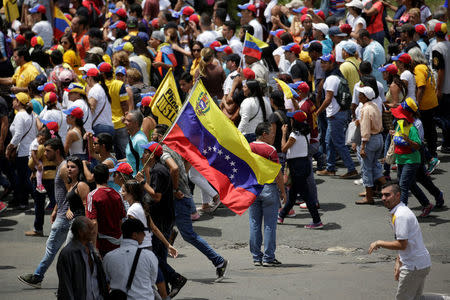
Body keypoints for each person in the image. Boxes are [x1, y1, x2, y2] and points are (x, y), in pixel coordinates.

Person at [18, 138, 70, 289]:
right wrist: (55, 209)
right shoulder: (60, 166)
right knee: (59, 248)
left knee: (52, 248)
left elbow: (70, 191)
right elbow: (62, 194)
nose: (45, 153)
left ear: (57, 151)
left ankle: (37, 277)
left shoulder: (63, 168)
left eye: (48, 151)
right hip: (61, 214)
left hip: (64, 218)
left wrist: (66, 210)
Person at [368, 182, 431, 300]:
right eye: (382, 195)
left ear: (398, 195)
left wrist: (379, 242)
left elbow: (402, 244)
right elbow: (404, 242)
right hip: (419, 264)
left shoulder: (401, 215)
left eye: (387, 195)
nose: (383, 198)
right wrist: (398, 262)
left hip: (413, 266)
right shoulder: (399, 211)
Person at [249, 122, 286, 266]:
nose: (273, 136)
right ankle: (268, 257)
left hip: (253, 188)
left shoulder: (249, 147)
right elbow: (278, 173)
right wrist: (283, 191)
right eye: (271, 133)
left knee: (254, 224)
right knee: (270, 225)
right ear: (264, 134)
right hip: (269, 189)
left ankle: (256, 257)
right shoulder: (271, 150)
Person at [315, 54, 358, 179]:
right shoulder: (333, 76)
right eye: (321, 62)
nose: (323, 65)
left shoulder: (332, 79)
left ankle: (351, 169)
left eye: (325, 62)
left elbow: (328, 99)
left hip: (335, 115)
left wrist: (317, 112)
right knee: (329, 142)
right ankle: (330, 168)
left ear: (332, 64)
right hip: (335, 114)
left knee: (338, 143)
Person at [278, 110, 323, 229]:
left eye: (292, 119)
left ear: (295, 122)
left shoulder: (294, 135)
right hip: (303, 164)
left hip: (297, 166)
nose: (290, 121)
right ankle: (281, 215)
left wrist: (283, 134)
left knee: (305, 195)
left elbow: (283, 149)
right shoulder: (305, 132)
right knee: (293, 194)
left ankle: (317, 220)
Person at [103, 218, 159, 300]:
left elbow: (107, 279)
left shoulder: (109, 257)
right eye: (142, 232)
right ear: (134, 235)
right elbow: (152, 280)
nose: (144, 235)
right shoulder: (149, 256)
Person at [56, 216, 109, 300]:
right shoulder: (68, 254)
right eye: (91, 229)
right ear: (81, 232)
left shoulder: (92, 250)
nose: (94, 232)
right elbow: (65, 286)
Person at [354, 86, 385, 205]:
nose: (358, 96)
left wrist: (362, 147)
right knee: (375, 166)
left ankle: (369, 197)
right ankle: (392, 188)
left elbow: (365, 130)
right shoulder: (374, 106)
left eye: (361, 94)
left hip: (370, 140)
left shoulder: (365, 109)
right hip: (378, 138)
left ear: (365, 97)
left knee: (366, 169)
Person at [6, 93, 38, 209]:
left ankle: (32, 199)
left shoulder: (20, 115)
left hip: (23, 151)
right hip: (30, 150)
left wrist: (9, 147)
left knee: (24, 178)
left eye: (14, 99)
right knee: (27, 178)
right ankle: (26, 200)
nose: (13, 102)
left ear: (19, 102)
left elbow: (18, 134)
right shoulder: (32, 115)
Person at [86, 164, 125, 257]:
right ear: (108, 177)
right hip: (118, 241)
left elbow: (93, 223)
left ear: (94, 177)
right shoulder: (117, 194)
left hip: (103, 243)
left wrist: (94, 248)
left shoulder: (92, 196)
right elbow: (121, 220)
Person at [123, 110, 148, 176]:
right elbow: (133, 157)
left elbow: (146, 165)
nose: (125, 122)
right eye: (125, 120)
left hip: (137, 181)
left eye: (128, 121)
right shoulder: (132, 136)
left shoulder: (140, 140)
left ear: (136, 123)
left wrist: (146, 184)